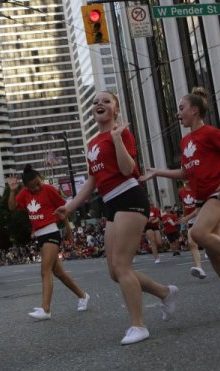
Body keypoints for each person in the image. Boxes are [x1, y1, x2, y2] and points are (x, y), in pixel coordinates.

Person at [56, 91, 177, 345]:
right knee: (115, 271)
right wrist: (70, 206)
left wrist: (117, 139)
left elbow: (127, 169)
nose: (99, 103)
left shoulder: (120, 134)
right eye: (95, 101)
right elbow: (92, 182)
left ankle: (138, 325)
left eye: (106, 101)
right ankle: (164, 292)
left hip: (130, 197)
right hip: (111, 203)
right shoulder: (92, 144)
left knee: (122, 266)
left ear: (116, 109)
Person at [141, 86, 220, 320]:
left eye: (181, 108)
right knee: (213, 255)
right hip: (203, 200)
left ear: (194, 110)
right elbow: (185, 173)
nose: (178, 113)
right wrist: (158, 173)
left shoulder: (210, 132)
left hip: (219, 195)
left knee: (198, 233)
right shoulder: (186, 142)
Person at [9, 166, 89, 320]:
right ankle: (83, 296)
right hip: (40, 235)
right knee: (59, 273)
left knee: (45, 270)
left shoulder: (49, 189)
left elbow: (63, 209)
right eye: (33, 187)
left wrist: (68, 229)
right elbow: (12, 207)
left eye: (39, 183)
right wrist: (12, 191)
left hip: (51, 232)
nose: (38, 188)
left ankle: (46, 309)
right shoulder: (24, 193)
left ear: (40, 179)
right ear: (26, 187)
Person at [178, 181, 207, 279]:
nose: (185, 179)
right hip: (190, 220)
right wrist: (185, 218)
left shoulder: (197, 188)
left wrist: (186, 218)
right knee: (191, 243)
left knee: (210, 241)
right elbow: (184, 205)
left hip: (203, 216)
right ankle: (199, 268)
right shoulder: (181, 191)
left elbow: (199, 209)